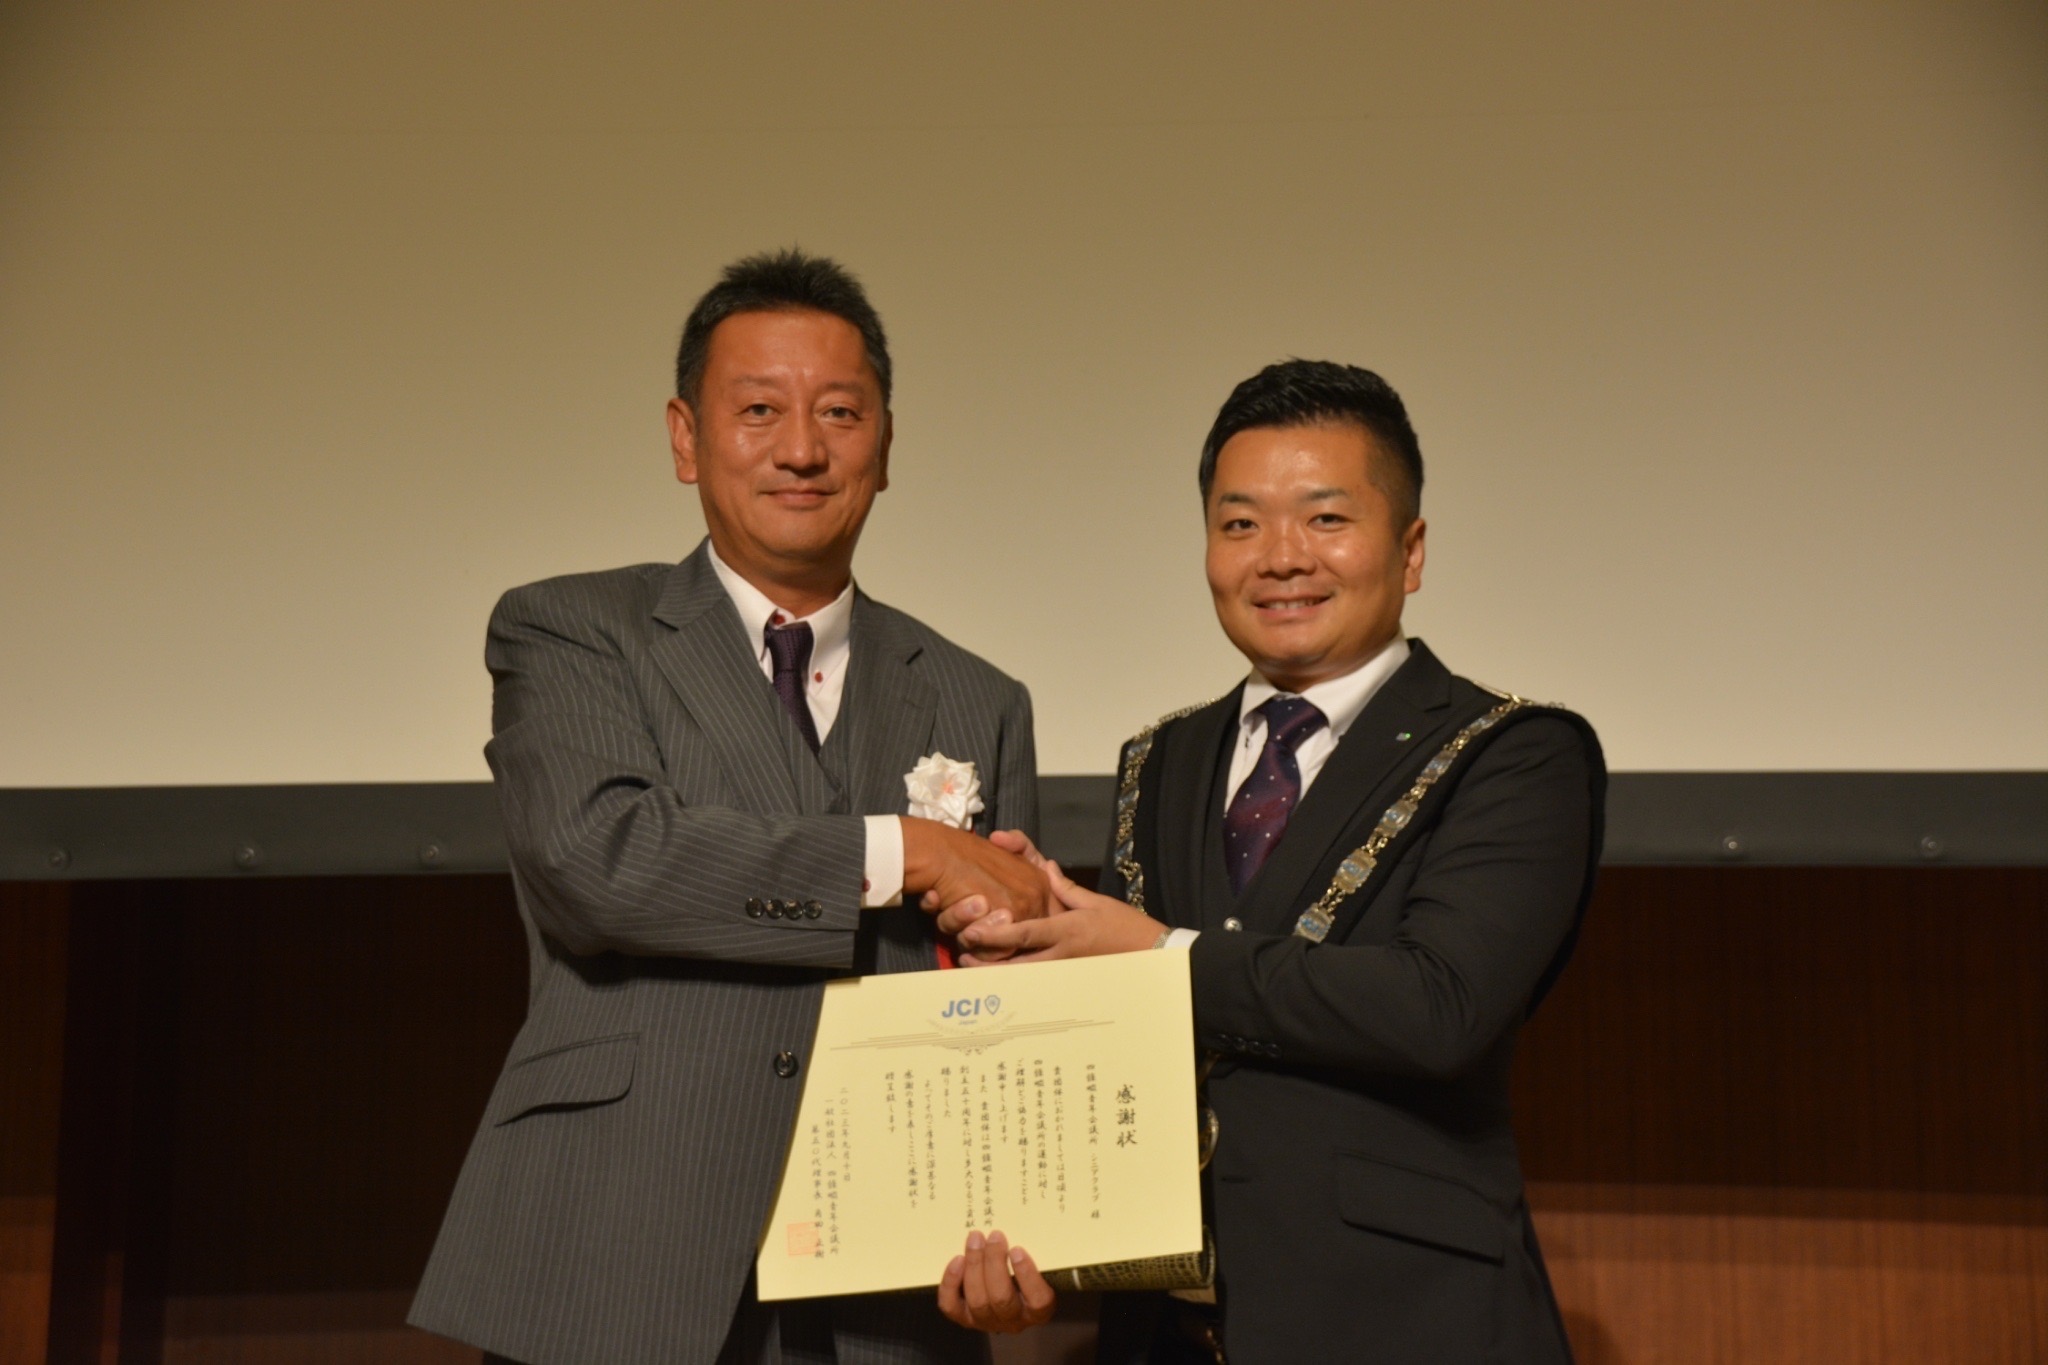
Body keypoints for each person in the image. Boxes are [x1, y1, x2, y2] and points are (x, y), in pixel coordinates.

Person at [410, 249, 1051, 1365]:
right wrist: (901, 851)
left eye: (839, 412)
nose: (802, 448)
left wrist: (1017, 1229)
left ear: (885, 445)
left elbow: (997, 1007)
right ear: (684, 437)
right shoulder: (572, 630)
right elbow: (599, 861)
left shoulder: (976, 697)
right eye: (758, 410)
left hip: (883, 1288)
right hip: (617, 1248)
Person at [943, 360, 1605, 1363]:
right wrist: (1038, 918)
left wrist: (1155, 953)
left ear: (1410, 549)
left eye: (1325, 519)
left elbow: (1440, 1008)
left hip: (1405, 1325)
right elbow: (1123, 1034)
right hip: (1165, 1331)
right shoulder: (1161, 757)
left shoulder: (1511, 751)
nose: (1281, 558)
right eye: (1240, 523)